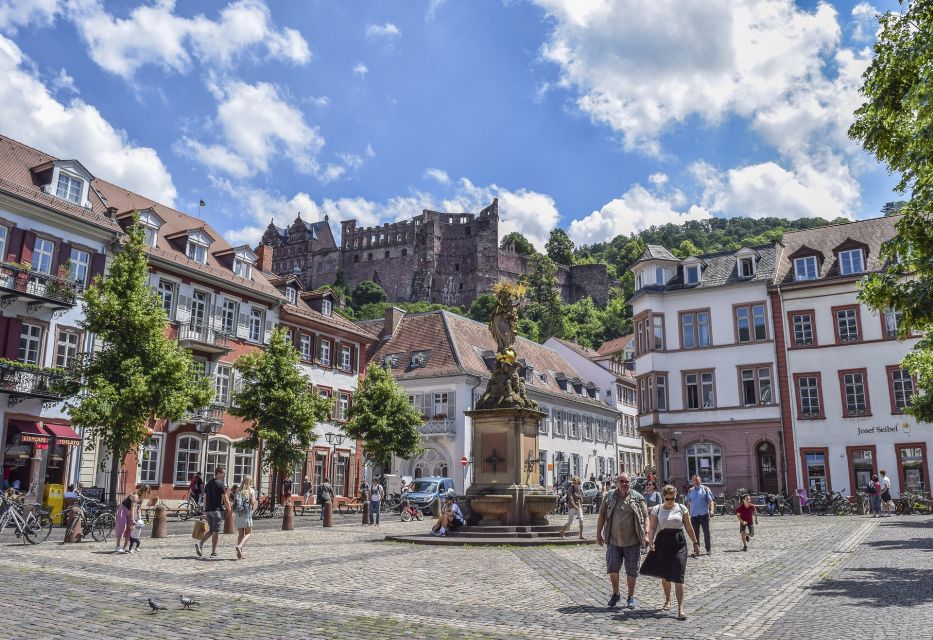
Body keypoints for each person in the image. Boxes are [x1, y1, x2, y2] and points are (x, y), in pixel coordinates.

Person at [642, 485, 700, 620]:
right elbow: (652, 528)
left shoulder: (681, 508)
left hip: (679, 542)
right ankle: (668, 600)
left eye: (673, 498)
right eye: (668, 498)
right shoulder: (657, 509)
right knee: (666, 575)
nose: (670, 501)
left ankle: (681, 609)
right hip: (663, 542)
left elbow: (689, 527)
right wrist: (650, 541)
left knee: (679, 575)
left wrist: (695, 543)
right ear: (663, 497)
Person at [596, 473, 649, 609]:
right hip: (614, 540)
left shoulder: (637, 497)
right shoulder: (609, 496)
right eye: (622, 481)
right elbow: (602, 514)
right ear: (617, 482)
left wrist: (647, 534)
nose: (625, 483)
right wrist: (598, 533)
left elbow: (646, 515)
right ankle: (616, 593)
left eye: (627, 481)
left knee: (632, 570)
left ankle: (631, 596)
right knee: (612, 567)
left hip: (632, 540)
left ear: (630, 483)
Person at [195, 466, 229, 559]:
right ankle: (213, 553)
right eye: (223, 473)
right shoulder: (221, 484)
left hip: (208, 510)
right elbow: (225, 498)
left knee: (211, 530)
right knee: (216, 532)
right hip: (216, 510)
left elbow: (205, 497)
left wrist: (205, 510)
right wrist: (229, 509)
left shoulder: (208, 483)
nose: (224, 474)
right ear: (218, 473)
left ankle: (200, 544)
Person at [684, 475, 715, 556]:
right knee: (695, 534)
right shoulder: (690, 491)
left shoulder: (705, 489)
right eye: (694, 480)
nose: (695, 482)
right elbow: (688, 502)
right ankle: (696, 550)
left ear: (700, 480)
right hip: (694, 516)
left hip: (704, 515)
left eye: (697, 480)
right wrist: (688, 514)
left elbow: (711, 501)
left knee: (706, 532)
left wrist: (711, 511)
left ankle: (708, 549)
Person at [115, 484, 149, 554]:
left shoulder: (142, 498)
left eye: (148, 492)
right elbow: (133, 507)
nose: (147, 493)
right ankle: (118, 546)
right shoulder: (135, 496)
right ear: (142, 491)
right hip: (124, 510)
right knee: (122, 527)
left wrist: (138, 518)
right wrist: (133, 519)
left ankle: (125, 547)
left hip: (130, 512)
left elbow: (138, 508)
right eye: (146, 491)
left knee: (129, 529)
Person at [232, 476, 257, 560]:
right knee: (248, 533)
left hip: (238, 514)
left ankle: (239, 554)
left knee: (240, 534)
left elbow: (235, 501)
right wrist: (253, 500)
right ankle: (240, 546)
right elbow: (253, 502)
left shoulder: (238, 490)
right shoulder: (251, 490)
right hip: (246, 514)